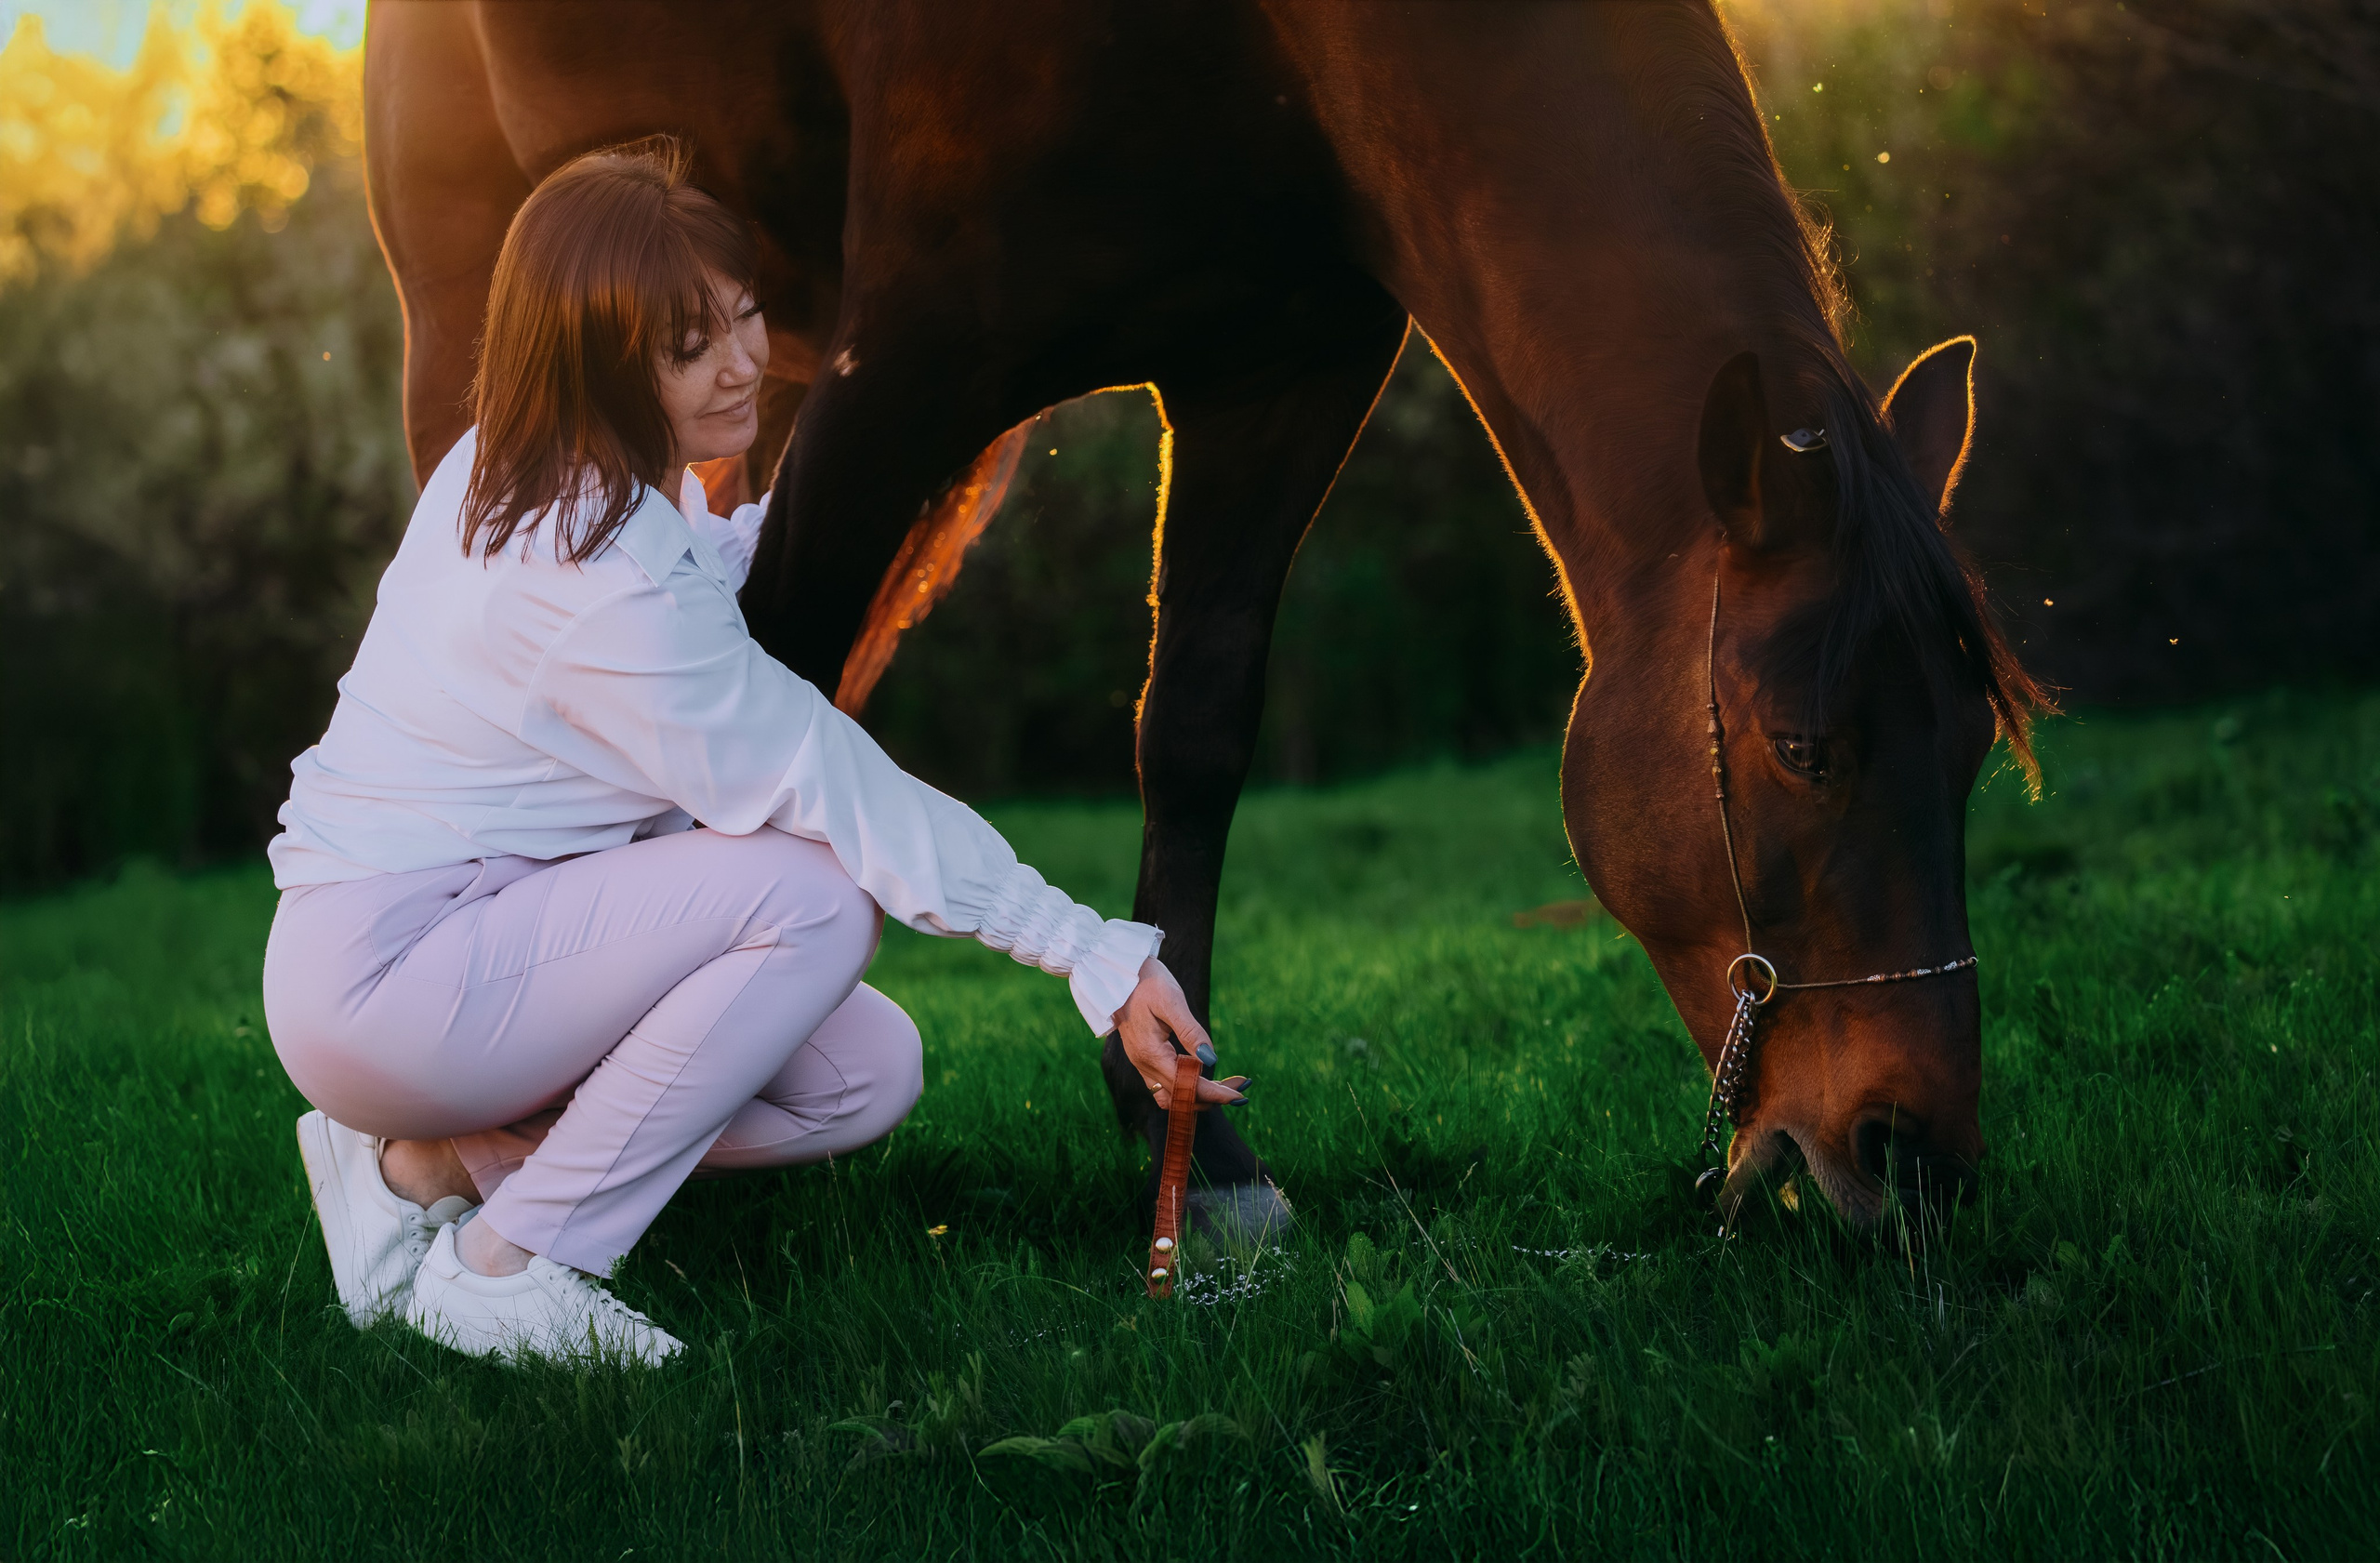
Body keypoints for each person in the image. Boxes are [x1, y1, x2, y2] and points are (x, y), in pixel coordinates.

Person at [260, 138, 1244, 1368]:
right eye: (689, 348)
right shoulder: (583, 570)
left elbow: (705, 574)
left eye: (743, 318)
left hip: (486, 935)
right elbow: (815, 772)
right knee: (815, 897)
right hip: (391, 975)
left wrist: (910, 461)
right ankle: (517, 1266)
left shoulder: (571, 473)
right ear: (602, 364)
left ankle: (417, 1168)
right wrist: (1087, 949)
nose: (740, 367)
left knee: (861, 1073)